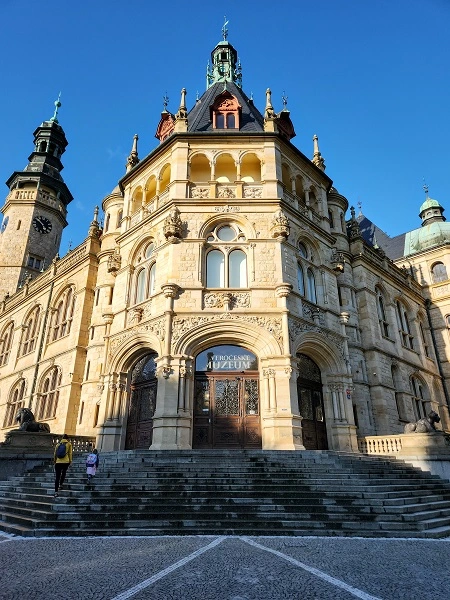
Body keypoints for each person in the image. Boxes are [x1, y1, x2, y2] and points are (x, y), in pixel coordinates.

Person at [54, 434, 72, 498]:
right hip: (65, 462)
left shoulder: (58, 444)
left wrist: (55, 461)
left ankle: (56, 492)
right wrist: (70, 461)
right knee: (63, 473)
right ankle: (61, 485)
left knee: (57, 477)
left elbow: (55, 453)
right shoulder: (69, 444)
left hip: (58, 462)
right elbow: (70, 453)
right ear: (67, 438)